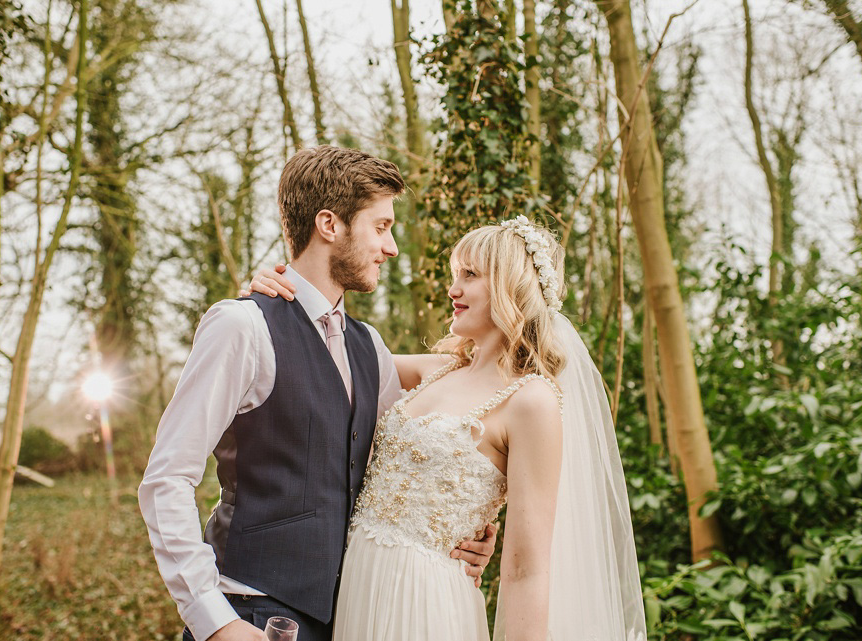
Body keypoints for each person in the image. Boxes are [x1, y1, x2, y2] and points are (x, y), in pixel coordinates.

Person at [138, 145, 495, 641]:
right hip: (249, 613)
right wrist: (214, 621)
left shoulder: (369, 347)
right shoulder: (242, 326)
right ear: (330, 225)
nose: (391, 249)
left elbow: (405, 466)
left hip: (349, 619)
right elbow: (166, 479)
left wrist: (466, 528)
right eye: (382, 227)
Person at [249, 215, 647, 640]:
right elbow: (323, 349)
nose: (453, 289)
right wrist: (273, 297)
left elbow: (526, 568)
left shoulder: (533, 401)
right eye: (455, 274)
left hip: (426, 604)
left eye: (470, 275)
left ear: (512, 287)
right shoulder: (435, 371)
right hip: (355, 587)